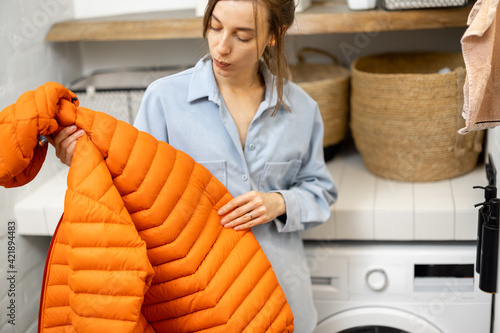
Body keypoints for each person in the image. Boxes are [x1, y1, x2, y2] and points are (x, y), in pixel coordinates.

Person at [50, 0, 337, 331]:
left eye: (242, 36)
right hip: (199, 303)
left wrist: (280, 202)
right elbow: (134, 190)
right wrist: (83, 160)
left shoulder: (302, 109)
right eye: (215, 27)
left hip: (285, 296)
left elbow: (320, 191)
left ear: (275, 35)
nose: (221, 46)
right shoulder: (164, 100)